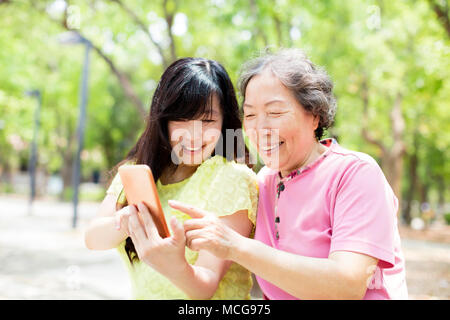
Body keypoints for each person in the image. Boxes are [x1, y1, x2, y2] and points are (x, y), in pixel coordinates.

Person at [169, 48, 408, 300]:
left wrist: (236, 246)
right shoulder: (264, 183)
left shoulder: (356, 173)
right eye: (250, 115)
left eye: (275, 113)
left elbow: (347, 286)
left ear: (314, 115)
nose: (260, 128)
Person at [84, 57, 258, 300]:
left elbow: (205, 286)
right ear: (163, 120)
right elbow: (93, 238)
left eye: (207, 120)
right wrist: (128, 221)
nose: (194, 135)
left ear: (224, 123)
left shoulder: (232, 179)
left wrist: (174, 266)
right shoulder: (138, 171)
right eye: (182, 119)